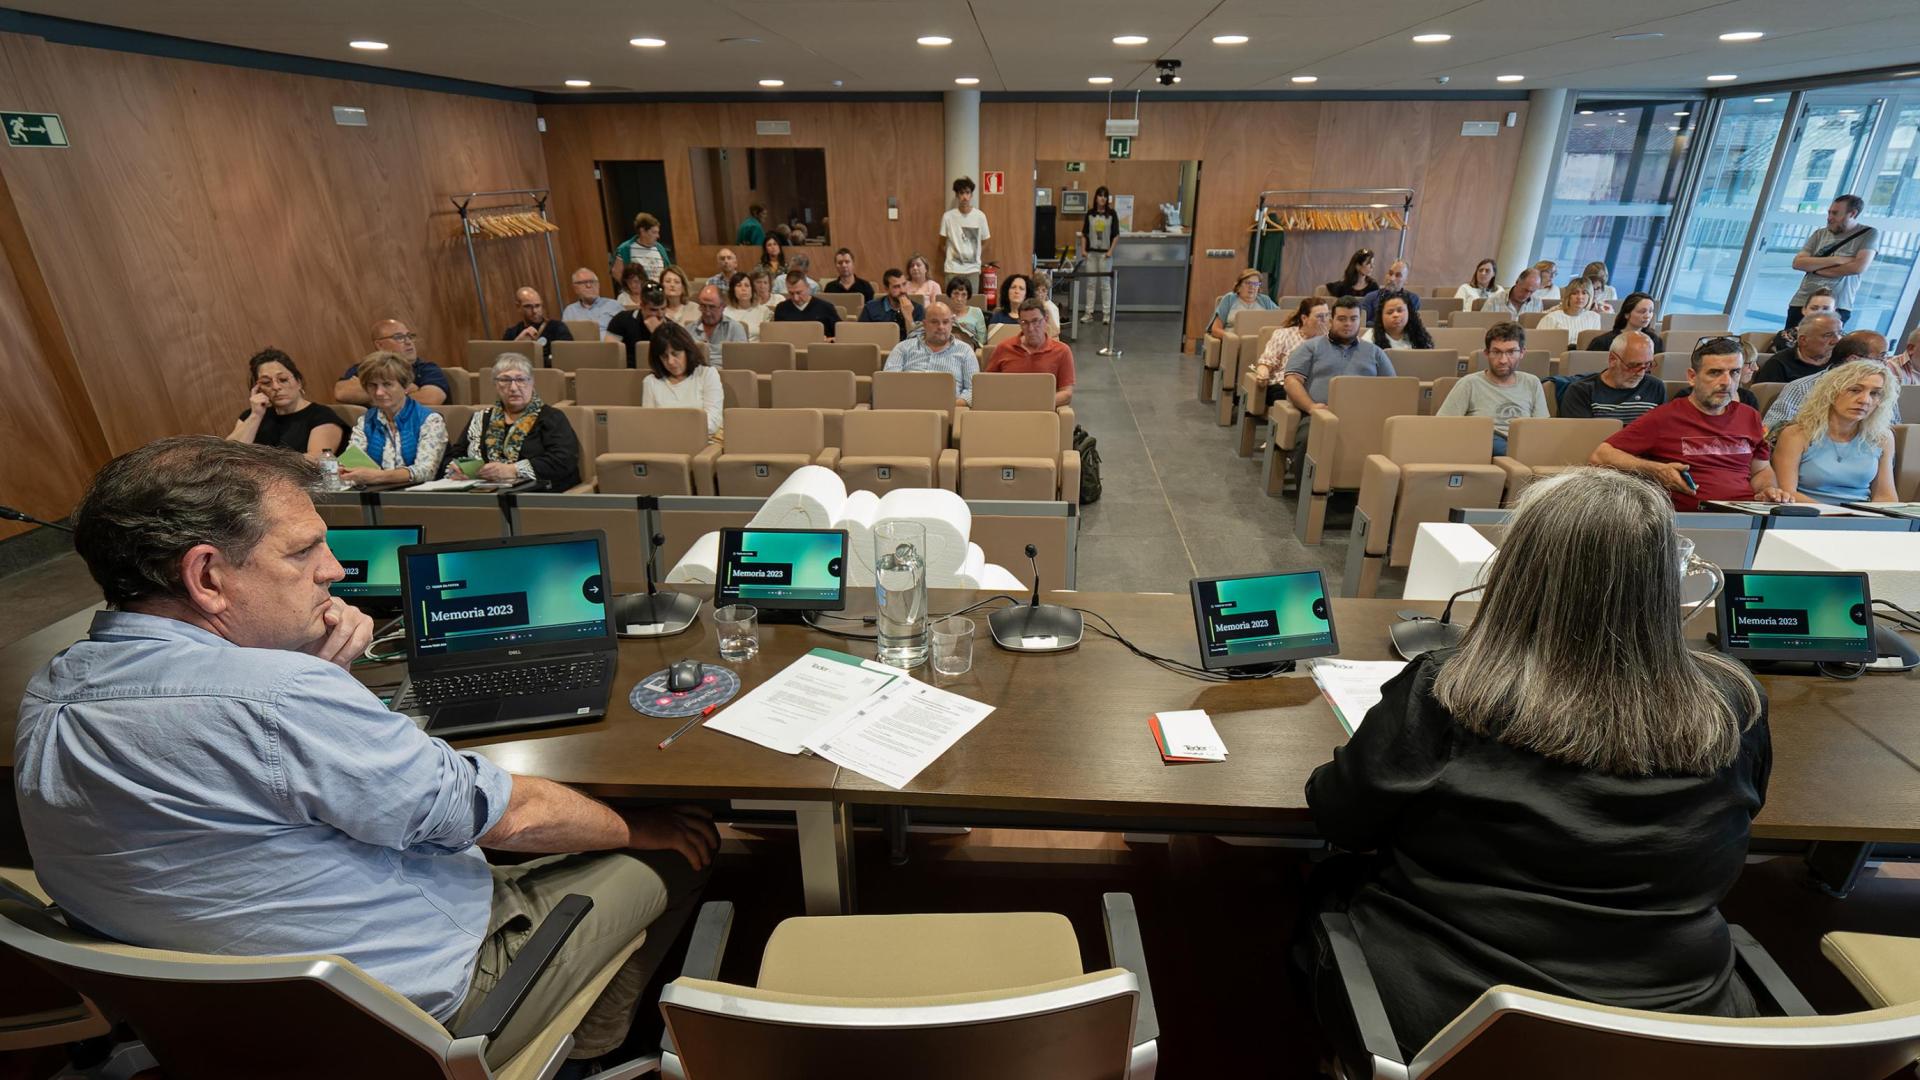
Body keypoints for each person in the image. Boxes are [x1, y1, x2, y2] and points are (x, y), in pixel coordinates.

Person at [22, 437, 714, 1070]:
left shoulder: (50, 693)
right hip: (424, 1013)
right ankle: (578, 1052)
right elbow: (511, 816)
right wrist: (647, 824)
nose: (334, 570)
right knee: (673, 846)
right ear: (206, 577)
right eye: (300, 552)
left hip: (228, 1026)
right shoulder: (283, 700)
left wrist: (320, 681)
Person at [1303, 466, 1769, 1063]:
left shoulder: (1445, 690)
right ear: (1664, 579)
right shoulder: (1733, 703)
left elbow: (1341, 818)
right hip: (1678, 1034)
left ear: (1518, 571)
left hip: (1459, 1027)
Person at [1592, 343, 1785, 511]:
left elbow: (1760, 470)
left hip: (1747, 515)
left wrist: (1767, 490)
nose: (1726, 382)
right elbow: (1601, 455)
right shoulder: (1665, 417)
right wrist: (1655, 469)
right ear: (1692, 377)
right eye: (1715, 372)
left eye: (1734, 372)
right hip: (1691, 518)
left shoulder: (1749, 416)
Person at [446, 354, 582, 491]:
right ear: (495, 385)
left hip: (535, 495)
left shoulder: (551, 417)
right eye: (505, 380)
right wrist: (456, 468)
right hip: (481, 491)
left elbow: (563, 459)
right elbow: (456, 454)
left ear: (531, 382)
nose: (513, 387)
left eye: (520, 379)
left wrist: (513, 470)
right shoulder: (480, 418)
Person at [1772, 359, 1898, 505]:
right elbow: (1786, 493)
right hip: (1808, 515)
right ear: (1832, 392)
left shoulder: (1882, 437)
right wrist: (1837, 515)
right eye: (1855, 390)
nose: (1865, 400)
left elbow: (1885, 496)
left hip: (1862, 518)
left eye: (1875, 393)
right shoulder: (1796, 434)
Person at [1280, 297, 1397, 441]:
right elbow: (1291, 381)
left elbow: (1392, 388)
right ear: (1331, 320)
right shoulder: (1310, 347)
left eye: (1353, 319)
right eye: (1342, 319)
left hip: (1364, 417)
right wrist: (1311, 407)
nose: (1348, 324)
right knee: (1308, 438)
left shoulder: (1375, 352)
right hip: (1320, 414)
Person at [1436, 323, 1549, 455]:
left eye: (1511, 352)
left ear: (1522, 353)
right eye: (1496, 352)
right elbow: (1443, 426)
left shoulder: (1532, 383)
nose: (1503, 360)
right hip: (1483, 448)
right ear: (1486, 353)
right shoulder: (1469, 383)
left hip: (1524, 447)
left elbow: (1542, 429)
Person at [339, 351, 449, 487]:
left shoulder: (431, 420)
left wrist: (377, 477)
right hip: (374, 496)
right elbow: (352, 462)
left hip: (420, 497)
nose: (379, 392)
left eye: (387, 384)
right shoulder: (365, 421)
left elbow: (425, 471)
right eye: (373, 385)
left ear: (406, 386)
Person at [1762, 331, 1902, 431]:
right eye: (1881, 358)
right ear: (1854, 360)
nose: (1885, 363)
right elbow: (1772, 431)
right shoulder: (1802, 388)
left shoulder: (1883, 391)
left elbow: (1893, 432)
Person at [227, 349, 346, 460]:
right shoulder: (251, 416)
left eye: (283, 379)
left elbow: (317, 460)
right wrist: (256, 416)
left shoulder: (322, 416)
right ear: (258, 389)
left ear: (298, 382)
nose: (276, 387)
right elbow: (228, 456)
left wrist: (263, 464)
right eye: (266, 382)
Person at [1786, 194, 1876, 330]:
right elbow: (1798, 263)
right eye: (1829, 212)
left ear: (1852, 213)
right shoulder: (1819, 234)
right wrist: (1837, 260)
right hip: (1803, 301)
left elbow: (1857, 267)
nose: (1829, 218)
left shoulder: (1868, 234)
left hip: (1837, 305)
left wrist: (1815, 267)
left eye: (1835, 213)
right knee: (1790, 342)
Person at [1556, 331, 1666, 425]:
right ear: (1613, 359)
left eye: (1647, 365)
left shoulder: (1655, 387)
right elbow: (1583, 439)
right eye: (1633, 365)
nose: (1640, 373)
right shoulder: (1582, 391)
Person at [333, 319, 450, 406]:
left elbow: (431, 399)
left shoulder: (426, 369)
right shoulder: (365, 368)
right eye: (399, 337)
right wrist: (408, 389)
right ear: (379, 345)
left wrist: (372, 396)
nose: (408, 342)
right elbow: (341, 392)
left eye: (409, 336)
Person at [881, 299, 977, 406]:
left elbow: (973, 390)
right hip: (907, 409)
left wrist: (950, 405)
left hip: (949, 412)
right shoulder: (903, 348)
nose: (941, 327)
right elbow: (888, 384)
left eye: (945, 322)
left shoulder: (965, 351)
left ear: (951, 324)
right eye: (935, 322)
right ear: (925, 324)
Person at [642, 321, 725, 439]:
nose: (670, 361)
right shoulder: (650, 382)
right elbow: (648, 424)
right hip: (664, 443)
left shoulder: (707, 374)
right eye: (664, 356)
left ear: (687, 351)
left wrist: (677, 433)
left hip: (704, 441)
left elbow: (713, 421)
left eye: (675, 354)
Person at [986, 298, 1075, 405]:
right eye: (1025, 323)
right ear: (1019, 323)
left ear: (1046, 319)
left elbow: (1066, 393)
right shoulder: (1003, 348)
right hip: (1009, 410)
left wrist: (1035, 403)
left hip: (1043, 413)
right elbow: (988, 385)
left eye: (1035, 321)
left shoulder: (1062, 351)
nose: (1031, 328)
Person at [1250, 298, 1332, 408]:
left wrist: (1327, 342)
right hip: (1283, 386)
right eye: (1319, 316)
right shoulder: (1284, 334)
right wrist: (1263, 373)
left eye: (1327, 315)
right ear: (1304, 318)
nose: (1325, 320)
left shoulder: (1332, 340)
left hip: (1315, 387)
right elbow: (1266, 362)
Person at [1754, 312, 1841, 384]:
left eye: (1840, 333)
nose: (1836, 340)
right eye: (1828, 335)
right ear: (1803, 340)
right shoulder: (1779, 365)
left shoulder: (1841, 362)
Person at [1077, 185, 1120, 324]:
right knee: (1090, 284)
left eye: (1105, 196)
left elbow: (1116, 235)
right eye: (1100, 195)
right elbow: (1084, 234)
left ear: (1107, 199)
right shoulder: (1090, 214)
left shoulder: (1112, 214)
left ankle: (1106, 314)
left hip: (1104, 255)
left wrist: (1110, 252)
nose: (1102, 198)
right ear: (1096, 197)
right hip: (1091, 254)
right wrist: (1083, 251)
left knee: (1105, 284)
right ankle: (1088, 313)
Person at [939, 177, 991, 293]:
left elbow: (986, 241)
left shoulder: (980, 216)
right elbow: (942, 244)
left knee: (972, 303)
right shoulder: (948, 217)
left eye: (967, 193)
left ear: (971, 195)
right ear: (957, 195)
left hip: (972, 269)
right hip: (952, 269)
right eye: (961, 193)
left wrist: (975, 254)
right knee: (952, 301)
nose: (965, 197)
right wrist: (954, 256)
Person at [501, 287, 572, 364]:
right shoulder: (512, 332)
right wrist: (518, 344)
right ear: (518, 307)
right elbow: (503, 363)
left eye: (537, 306)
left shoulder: (557, 327)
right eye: (528, 306)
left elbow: (567, 357)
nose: (534, 311)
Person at [1206, 269, 1279, 343]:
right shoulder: (1229, 299)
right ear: (1239, 286)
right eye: (1248, 283)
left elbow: (1281, 319)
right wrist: (1230, 337)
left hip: (1260, 342)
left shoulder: (1265, 300)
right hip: (1234, 342)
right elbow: (1215, 329)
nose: (1252, 287)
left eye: (1256, 284)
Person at [606, 281, 667, 367]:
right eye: (654, 310)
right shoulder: (621, 319)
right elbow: (609, 354)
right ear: (641, 306)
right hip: (627, 371)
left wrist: (658, 333)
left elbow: (670, 358)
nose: (660, 314)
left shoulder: (671, 326)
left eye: (663, 309)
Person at [689, 284, 748, 367]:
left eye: (712, 307)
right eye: (703, 306)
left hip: (726, 376)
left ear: (723, 307)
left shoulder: (735, 329)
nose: (707, 312)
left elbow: (742, 363)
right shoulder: (689, 330)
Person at [1765, 287, 1839, 353]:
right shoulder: (1786, 337)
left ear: (1834, 312)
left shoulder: (1841, 340)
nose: (1819, 313)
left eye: (1826, 309)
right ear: (1804, 310)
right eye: (1814, 308)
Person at [1588, 291, 1665, 354]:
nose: (1647, 316)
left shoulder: (1655, 340)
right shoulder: (1603, 342)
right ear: (1627, 314)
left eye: (1651, 311)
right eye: (1642, 311)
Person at [562, 268, 623, 339]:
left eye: (592, 281)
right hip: (581, 348)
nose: (589, 285)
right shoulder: (570, 311)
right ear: (575, 288)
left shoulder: (614, 305)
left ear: (598, 285)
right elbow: (566, 339)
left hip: (608, 348)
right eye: (583, 282)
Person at [860, 269, 925, 337]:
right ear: (886, 289)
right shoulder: (870, 308)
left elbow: (918, 343)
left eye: (904, 284)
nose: (902, 290)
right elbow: (861, 336)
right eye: (896, 287)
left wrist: (908, 316)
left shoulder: (918, 309)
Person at [612, 212, 671, 284]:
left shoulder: (660, 249)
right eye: (654, 232)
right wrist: (630, 288)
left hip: (658, 292)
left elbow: (668, 271)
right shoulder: (625, 249)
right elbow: (616, 272)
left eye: (658, 232)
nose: (658, 236)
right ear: (642, 231)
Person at [772, 273, 840, 336]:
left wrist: (829, 340)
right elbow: (777, 336)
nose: (796, 298)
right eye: (791, 293)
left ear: (808, 288)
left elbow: (841, 335)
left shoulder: (826, 308)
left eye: (799, 293)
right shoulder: (781, 309)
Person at [1366, 291, 1433, 351]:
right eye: (1390, 312)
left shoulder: (1419, 335)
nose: (1395, 315)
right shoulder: (1370, 337)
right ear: (1381, 316)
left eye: (1400, 311)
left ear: (1409, 313)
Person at [1534, 278, 1602, 335]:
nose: (1580, 297)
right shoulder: (1551, 318)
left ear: (1590, 296)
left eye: (1584, 293)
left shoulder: (1594, 317)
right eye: (1575, 293)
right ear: (1568, 296)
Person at [726, 271, 772, 341]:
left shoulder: (764, 311)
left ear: (752, 289)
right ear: (733, 290)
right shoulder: (725, 313)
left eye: (747, 285)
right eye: (739, 285)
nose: (743, 289)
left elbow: (769, 339)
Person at [1478, 268, 1543, 317]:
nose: (1527, 295)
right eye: (1525, 290)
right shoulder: (1494, 301)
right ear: (1517, 282)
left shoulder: (1537, 303)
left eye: (1532, 292)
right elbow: (1483, 326)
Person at [945, 277, 986, 345]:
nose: (959, 299)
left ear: (968, 296)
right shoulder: (943, 312)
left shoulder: (976, 312)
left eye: (963, 294)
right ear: (950, 294)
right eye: (956, 293)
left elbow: (982, 340)